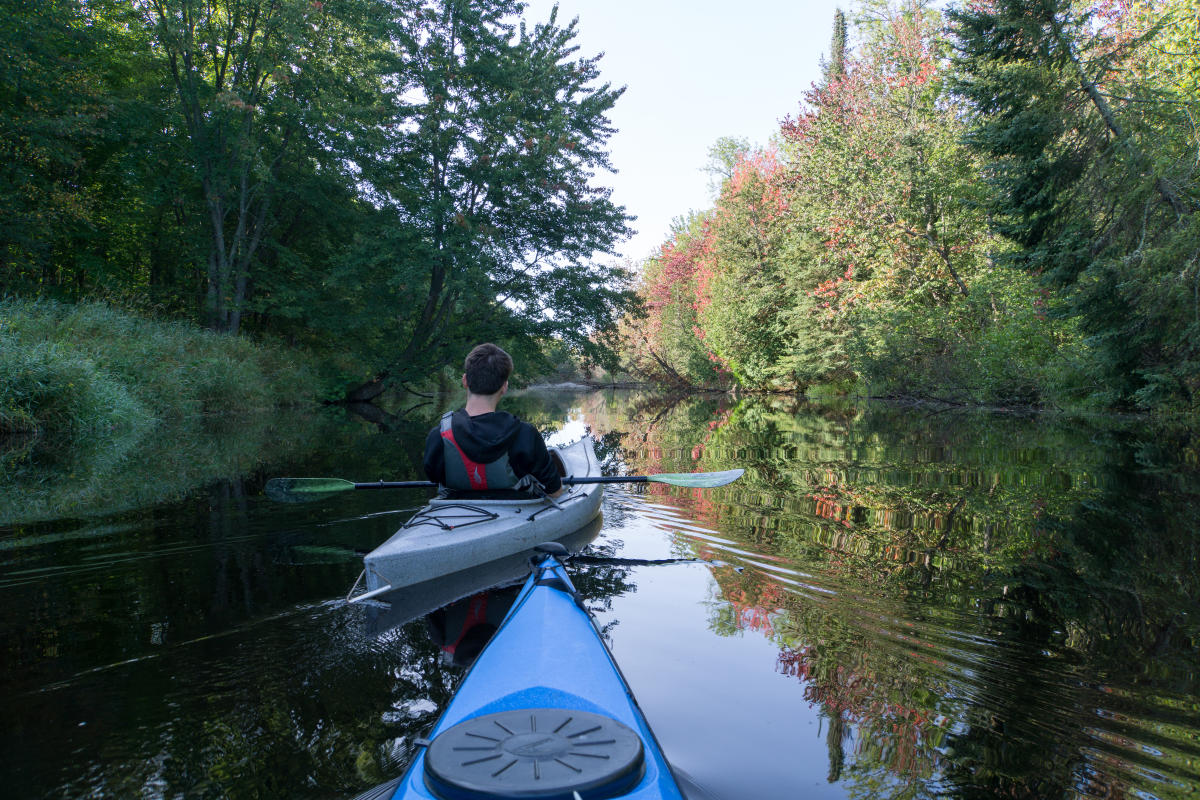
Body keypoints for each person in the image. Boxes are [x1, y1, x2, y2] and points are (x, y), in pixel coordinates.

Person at [423, 343, 564, 497]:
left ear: (465, 381)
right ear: (504, 387)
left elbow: (434, 477)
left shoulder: (439, 435)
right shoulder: (525, 434)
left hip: (455, 513)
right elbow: (554, 491)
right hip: (516, 510)